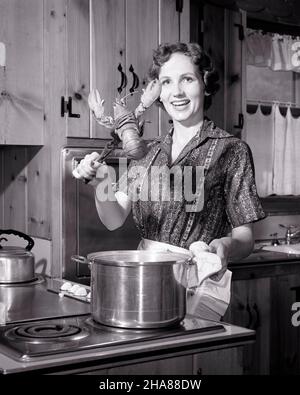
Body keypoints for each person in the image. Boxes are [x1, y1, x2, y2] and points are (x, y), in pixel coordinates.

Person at [75, 42, 265, 319]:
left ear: (205, 84)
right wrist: (101, 180)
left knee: (190, 360)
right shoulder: (147, 151)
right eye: (166, 82)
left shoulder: (231, 150)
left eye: (187, 79)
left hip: (199, 282)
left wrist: (224, 246)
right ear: (158, 94)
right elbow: (114, 219)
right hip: (144, 282)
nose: (176, 91)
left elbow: (245, 239)